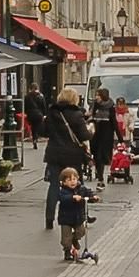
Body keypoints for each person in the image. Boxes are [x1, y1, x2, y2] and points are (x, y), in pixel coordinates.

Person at [42, 86, 91, 230]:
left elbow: (43, 132)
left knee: (54, 186)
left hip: (54, 155)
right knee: (76, 185)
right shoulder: (77, 115)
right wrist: (91, 130)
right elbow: (84, 136)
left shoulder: (52, 113)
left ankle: (49, 219)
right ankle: (80, 215)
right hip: (72, 156)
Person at [55, 167, 100, 261]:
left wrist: (93, 197)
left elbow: (88, 193)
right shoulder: (63, 191)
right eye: (69, 180)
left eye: (74, 179)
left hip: (78, 217)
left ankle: (74, 239)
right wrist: (72, 197)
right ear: (63, 182)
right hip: (66, 218)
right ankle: (67, 252)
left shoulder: (82, 189)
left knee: (81, 231)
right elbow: (62, 198)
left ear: (78, 178)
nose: (72, 182)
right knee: (66, 239)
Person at [89, 87, 118, 179]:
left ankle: (101, 178)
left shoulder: (110, 106)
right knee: (96, 155)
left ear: (103, 96)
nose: (96, 97)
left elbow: (114, 122)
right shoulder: (95, 104)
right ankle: (98, 171)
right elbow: (91, 116)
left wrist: (120, 138)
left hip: (106, 134)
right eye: (96, 95)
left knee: (101, 156)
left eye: (98, 95)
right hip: (96, 133)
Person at [23, 83, 48, 148]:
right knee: (36, 126)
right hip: (39, 114)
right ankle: (36, 138)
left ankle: (34, 138)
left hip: (31, 114)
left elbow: (25, 106)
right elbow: (44, 106)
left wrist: (26, 113)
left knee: (33, 126)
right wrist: (44, 114)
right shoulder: (41, 96)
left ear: (30, 89)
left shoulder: (27, 96)